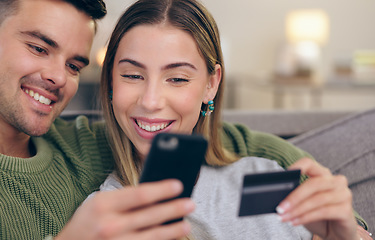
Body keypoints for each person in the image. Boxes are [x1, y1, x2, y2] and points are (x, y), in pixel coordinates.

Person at [92, 0, 372, 239]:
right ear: (111, 81)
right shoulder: (104, 215)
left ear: (211, 84)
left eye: (177, 79)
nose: (151, 101)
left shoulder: (265, 176)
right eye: (132, 75)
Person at [0, 0, 196, 239]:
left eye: (73, 66)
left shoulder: (91, 146)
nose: (60, 77)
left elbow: (224, 140)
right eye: (39, 48)